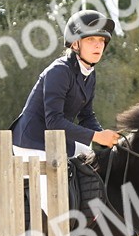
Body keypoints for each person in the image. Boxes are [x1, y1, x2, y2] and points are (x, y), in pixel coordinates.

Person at [11, 10, 123, 159]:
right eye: (91, 39)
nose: (98, 45)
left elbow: (87, 116)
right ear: (75, 43)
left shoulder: (89, 73)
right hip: (31, 142)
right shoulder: (59, 71)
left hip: (56, 141)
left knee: (92, 159)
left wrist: (107, 140)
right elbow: (54, 121)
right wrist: (97, 136)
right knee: (60, 181)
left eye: (102, 40)